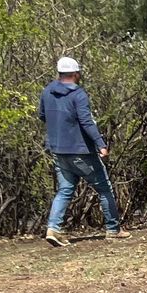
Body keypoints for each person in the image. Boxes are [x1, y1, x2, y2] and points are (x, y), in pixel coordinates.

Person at [39, 57, 126, 247]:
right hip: (80, 151)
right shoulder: (78, 95)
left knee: (65, 190)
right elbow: (86, 121)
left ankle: (53, 228)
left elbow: (42, 116)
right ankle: (113, 229)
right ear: (76, 74)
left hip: (57, 150)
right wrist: (100, 144)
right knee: (104, 188)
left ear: (59, 73)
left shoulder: (47, 91)